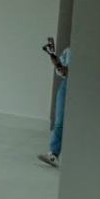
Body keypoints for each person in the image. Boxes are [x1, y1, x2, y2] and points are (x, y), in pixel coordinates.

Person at [38, 38, 69, 167]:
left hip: (81, 87)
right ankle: (53, 154)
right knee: (59, 121)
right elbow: (61, 72)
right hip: (66, 85)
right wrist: (56, 63)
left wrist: (63, 69)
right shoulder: (68, 51)